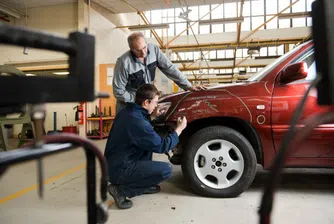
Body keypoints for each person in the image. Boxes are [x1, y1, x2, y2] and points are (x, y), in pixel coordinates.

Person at [104, 84, 187, 209]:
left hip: (114, 162)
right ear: (146, 102)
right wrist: (178, 130)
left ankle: (142, 184)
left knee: (146, 146)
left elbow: (141, 128)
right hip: (120, 169)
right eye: (155, 102)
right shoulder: (137, 121)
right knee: (165, 170)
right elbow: (161, 146)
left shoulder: (129, 111)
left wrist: (153, 116)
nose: (156, 105)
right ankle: (122, 190)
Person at [113, 32, 205, 113]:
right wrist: (139, 100)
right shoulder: (123, 62)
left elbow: (170, 68)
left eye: (144, 47)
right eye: (138, 50)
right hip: (128, 107)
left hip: (147, 103)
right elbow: (118, 91)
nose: (143, 53)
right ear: (131, 49)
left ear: (146, 43)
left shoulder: (154, 50)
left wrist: (188, 86)